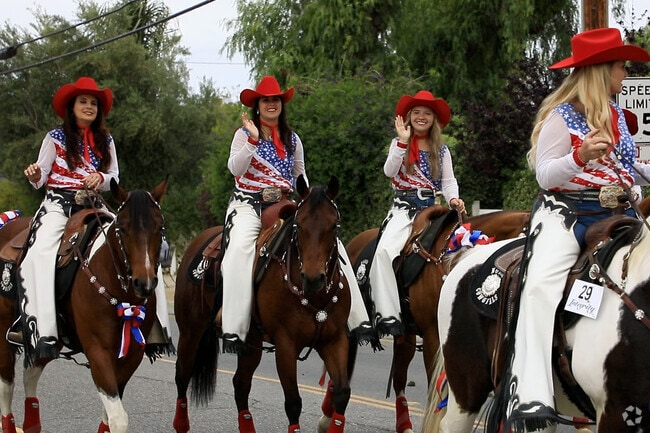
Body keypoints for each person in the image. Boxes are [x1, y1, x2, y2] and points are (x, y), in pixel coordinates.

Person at [503, 28, 650, 432]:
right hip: (566, 213)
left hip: (616, 212)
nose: (626, 71)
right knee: (539, 285)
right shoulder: (560, 118)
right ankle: (530, 391)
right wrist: (579, 155)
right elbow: (546, 174)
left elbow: (632, 166)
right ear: (601, 70)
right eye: (621, 65)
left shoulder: (619, 116)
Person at [220, 75, 374, 354]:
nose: (271, 104)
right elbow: (235, 168)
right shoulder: (243, 134)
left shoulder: (292, 139)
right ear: (258, 105)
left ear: (281, 104)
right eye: (266, 100)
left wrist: (308, 201)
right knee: (239, 252)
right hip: (249, 205)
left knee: (331, 244)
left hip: (285, 204)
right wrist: (253, 141)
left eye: (275, 100)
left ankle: (356, 319)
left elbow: (299, 174)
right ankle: (234, 328)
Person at [11, 77, 119, 360]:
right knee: (39, 253)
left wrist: (102, 177)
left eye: (93, 103)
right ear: (72, 107)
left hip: (94, 206)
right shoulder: (54, 138)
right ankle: (35, 326)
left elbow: (114, 177)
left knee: (131, 238)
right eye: (83, 102)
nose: (88, 106)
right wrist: (36, 176)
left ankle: (154, 328)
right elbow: (41, 174)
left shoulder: (106, 141)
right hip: (59, 206)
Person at [369, 90, 465, 338]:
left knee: (463, 247)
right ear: (409, 117)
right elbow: (389, 171)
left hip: (434, 208)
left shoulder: (441, 150)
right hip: (404, 210)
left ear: (434, 119)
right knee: (383, 253)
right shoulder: (398, 144)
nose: (422, 117)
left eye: (427, 113)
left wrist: (454, 198)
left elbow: (448, 180)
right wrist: (402, 142)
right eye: (417, 112)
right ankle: (389, 314)